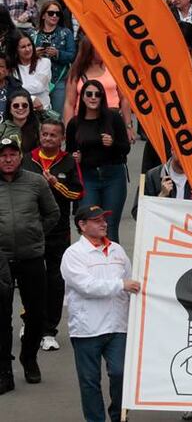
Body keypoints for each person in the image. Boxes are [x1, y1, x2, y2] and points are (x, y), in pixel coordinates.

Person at [59, 205, 140, 421]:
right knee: (89, 381)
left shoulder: (117, 250)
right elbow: (87, 286)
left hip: (118, 326)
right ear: (82, 225)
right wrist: (121, 285)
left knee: (121, 374)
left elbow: (133, 283)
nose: (103, 223)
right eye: (96, 220)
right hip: (87, 329)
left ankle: (118, 416)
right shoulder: (73, 255)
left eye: (104, 219)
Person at [0, 134, 58, 392]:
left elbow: (53, 213)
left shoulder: (36, 182)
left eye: (12, 154)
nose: (8, 159)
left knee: (36, 314)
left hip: (31, 256)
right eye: (3, 156)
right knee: (1, 318)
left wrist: (35, 232)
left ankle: (29, 356)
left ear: (20, 156)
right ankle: (4, 371)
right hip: (1, 260)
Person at [23, 117, 82, 353]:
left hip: (58, 231)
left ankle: (49, 331)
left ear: (62, 138)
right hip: (30, 230)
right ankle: (30, 323)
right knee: (30, 279)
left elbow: (78, 193)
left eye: (53, 135)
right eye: (45, 134)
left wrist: (56, 184)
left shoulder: (68, 162)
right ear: (39, 135)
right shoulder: (28, 160)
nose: (48, 138)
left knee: (56, 281)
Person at [65, 80, 129, 241]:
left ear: (102, 97)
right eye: (89, 94)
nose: (93, 98)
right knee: (90, 223)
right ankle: (90, 263)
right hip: (88, 177)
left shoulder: (113, 118)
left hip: (113, 175)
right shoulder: (74, 123)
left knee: (109, 225)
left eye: (97, 94)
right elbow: (70, 151)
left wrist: (112, 143)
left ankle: (113, 264)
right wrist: (75, 157)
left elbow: (125, 148)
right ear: (83, 97)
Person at [31, 2, 74, 114]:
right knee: (37, 113)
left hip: (59, 79)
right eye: (51, 13)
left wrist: (57, 53)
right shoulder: (34, 33)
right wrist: (34, 54)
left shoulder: (66, 33)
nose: (54, 16)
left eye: (57, 13)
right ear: (43, 15)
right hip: (37, 79)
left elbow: (72, 55)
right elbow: (22, 55)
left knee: (57, 114)